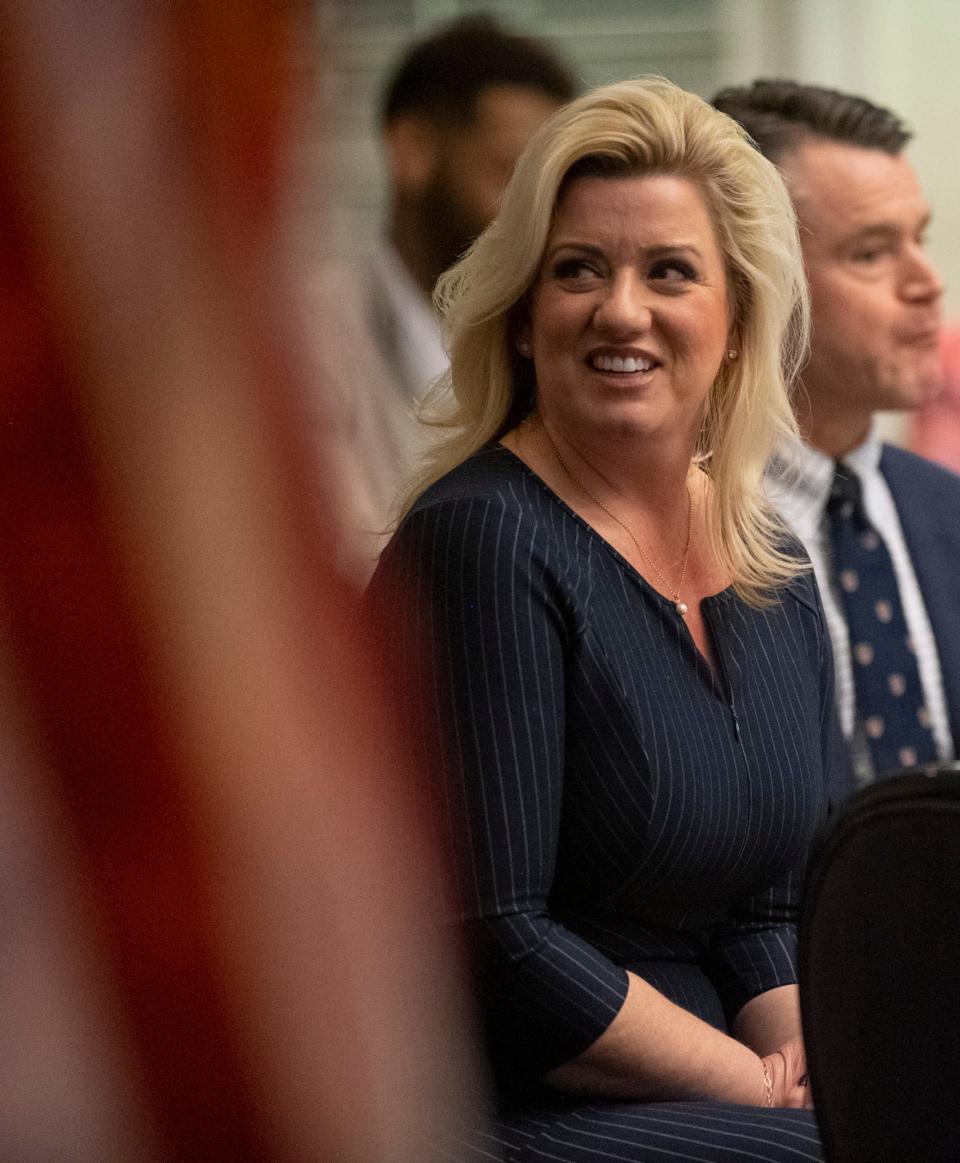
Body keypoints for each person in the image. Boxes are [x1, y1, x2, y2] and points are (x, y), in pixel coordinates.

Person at [368, 77, 831, 1161]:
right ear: (525, 319)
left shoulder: (770, 562)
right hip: (508, 1103)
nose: (622, 309)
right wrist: (763, 1090)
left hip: (720, 1091)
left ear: (735, 324)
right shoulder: (480, 541)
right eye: (578, 270)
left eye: (669, 272)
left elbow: (764, 911)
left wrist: (821, 1066)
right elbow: (495, 936)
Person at [714, 81, 960, 798]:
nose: (927, 283)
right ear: (755, 282)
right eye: (871, 252)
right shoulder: (672, 524)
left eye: (921, 239)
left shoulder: (947, 510)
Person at [309, 17, 576, 582]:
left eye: (548, 191)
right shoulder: (307, 337)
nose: (534, 218)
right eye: (509, 175)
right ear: (413, 150)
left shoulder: (554, 343)